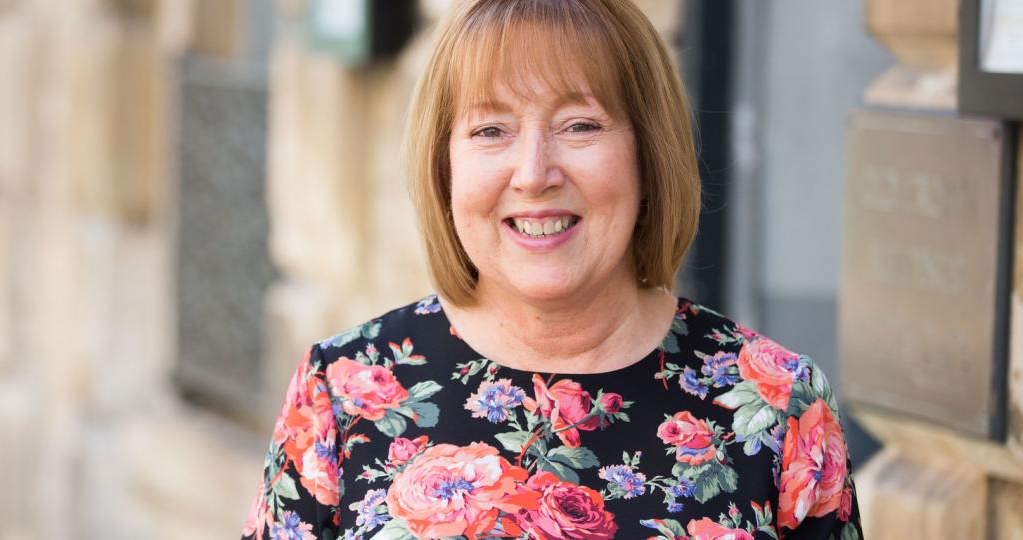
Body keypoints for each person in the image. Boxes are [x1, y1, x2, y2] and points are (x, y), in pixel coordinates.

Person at [241, 0, 861, 538]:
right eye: (491, 129)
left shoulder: (778, 404)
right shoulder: (343, 393)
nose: (534, 173)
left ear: (649, 154)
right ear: (444, 167)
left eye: (580, 125)